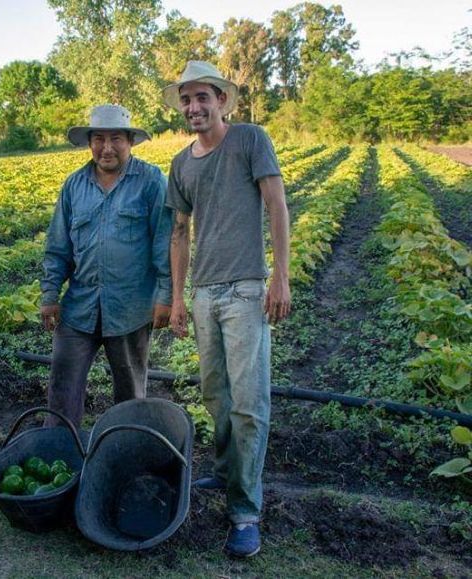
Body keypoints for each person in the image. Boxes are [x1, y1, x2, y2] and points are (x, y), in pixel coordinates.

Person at [162, 61, 291, 558]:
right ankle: (223, 471)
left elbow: (277, 205)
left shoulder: (250, 140)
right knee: (215, 394)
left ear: (221, 100)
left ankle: (245, 512)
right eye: (187, 100)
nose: (194, 107)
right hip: (204, 294)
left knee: (248, 402)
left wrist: (279, 277)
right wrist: (178, 297)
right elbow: (179, 231)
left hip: (245, 290)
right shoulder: (181, 163)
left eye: (203, 98)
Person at [40, 104, 173, 428]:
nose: (107, 147)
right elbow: (58, 246)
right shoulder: (74, 186)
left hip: (130, 308)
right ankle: (59, 454)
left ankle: (123, 456)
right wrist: (49, 294)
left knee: (129, 395)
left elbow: (165, 242)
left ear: (130, 141)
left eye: (116, 139)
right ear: (90, 142)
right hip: (79, 307)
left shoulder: (151, 180)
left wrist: (165, 295)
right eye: (99, 138)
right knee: (62, 388)